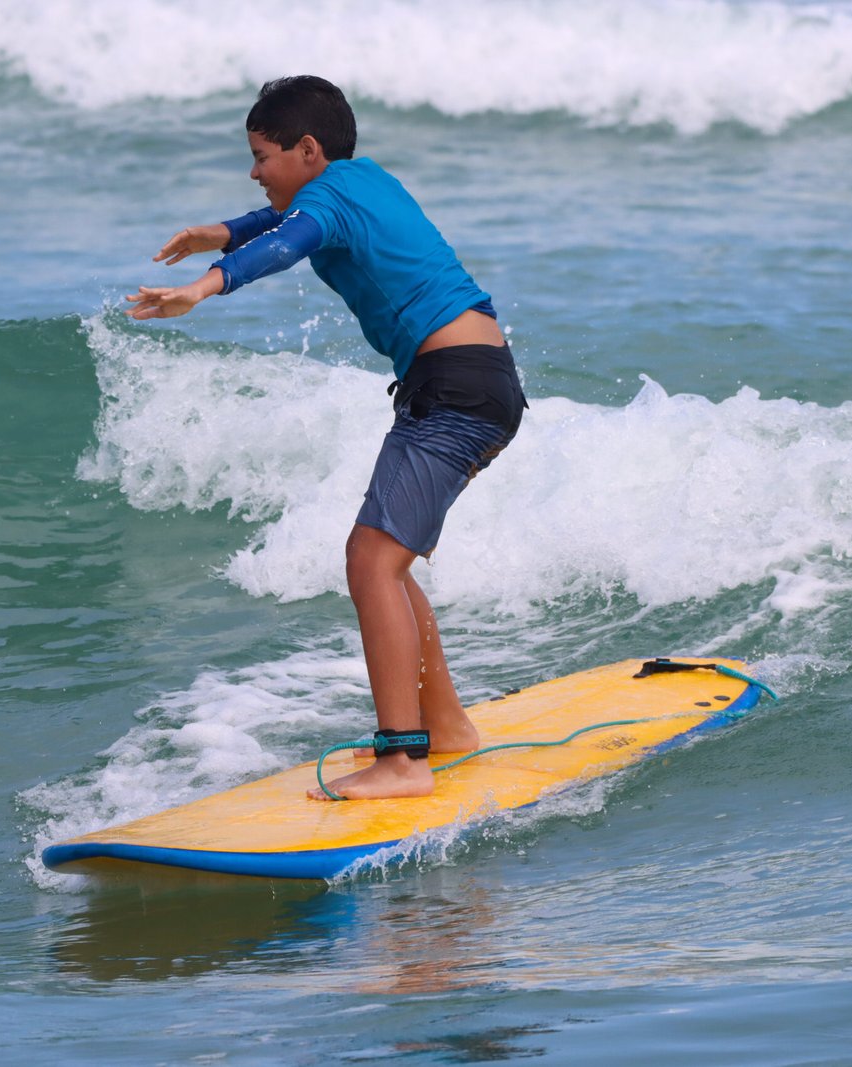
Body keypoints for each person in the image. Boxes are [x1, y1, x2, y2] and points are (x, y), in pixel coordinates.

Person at [125, 75, 525, 800]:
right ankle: (447, 727)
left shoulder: (325, 204)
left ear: (307, 150)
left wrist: (205, 285)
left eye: (261, 155)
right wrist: (224, 231)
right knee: (386, 561)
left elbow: (289, 243)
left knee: (370, 560)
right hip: (467, 380)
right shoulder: (359, 180)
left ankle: (404, 760)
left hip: (457, 388)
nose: (254, 170)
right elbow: (290, 220)